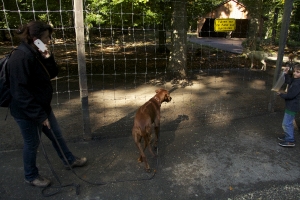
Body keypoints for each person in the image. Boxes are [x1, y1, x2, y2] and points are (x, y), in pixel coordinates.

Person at [7, 21, 87, 187]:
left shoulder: (36, 52)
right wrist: (39, 115)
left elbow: (51, 73)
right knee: (32, 143)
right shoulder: (20, 57)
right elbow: (19, 93)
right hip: (26, 111)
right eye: (46, 37)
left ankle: (69, 160)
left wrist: (48, 56)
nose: (49, 40)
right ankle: (31, 176)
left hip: (42, 107)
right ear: (35, 38)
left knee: (56, 134)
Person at [277, 64, 300, 147]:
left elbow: (291, 95)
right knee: (287, 122)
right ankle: (288, 136)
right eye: (294, 71)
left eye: (298, 72)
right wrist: (286, 74)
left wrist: (281, 94)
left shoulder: (298, 84)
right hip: (291, 105)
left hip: (293, 106)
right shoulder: (296, 80)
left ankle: (290, 140)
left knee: (286, 123)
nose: (295, 73)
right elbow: (289, 81)